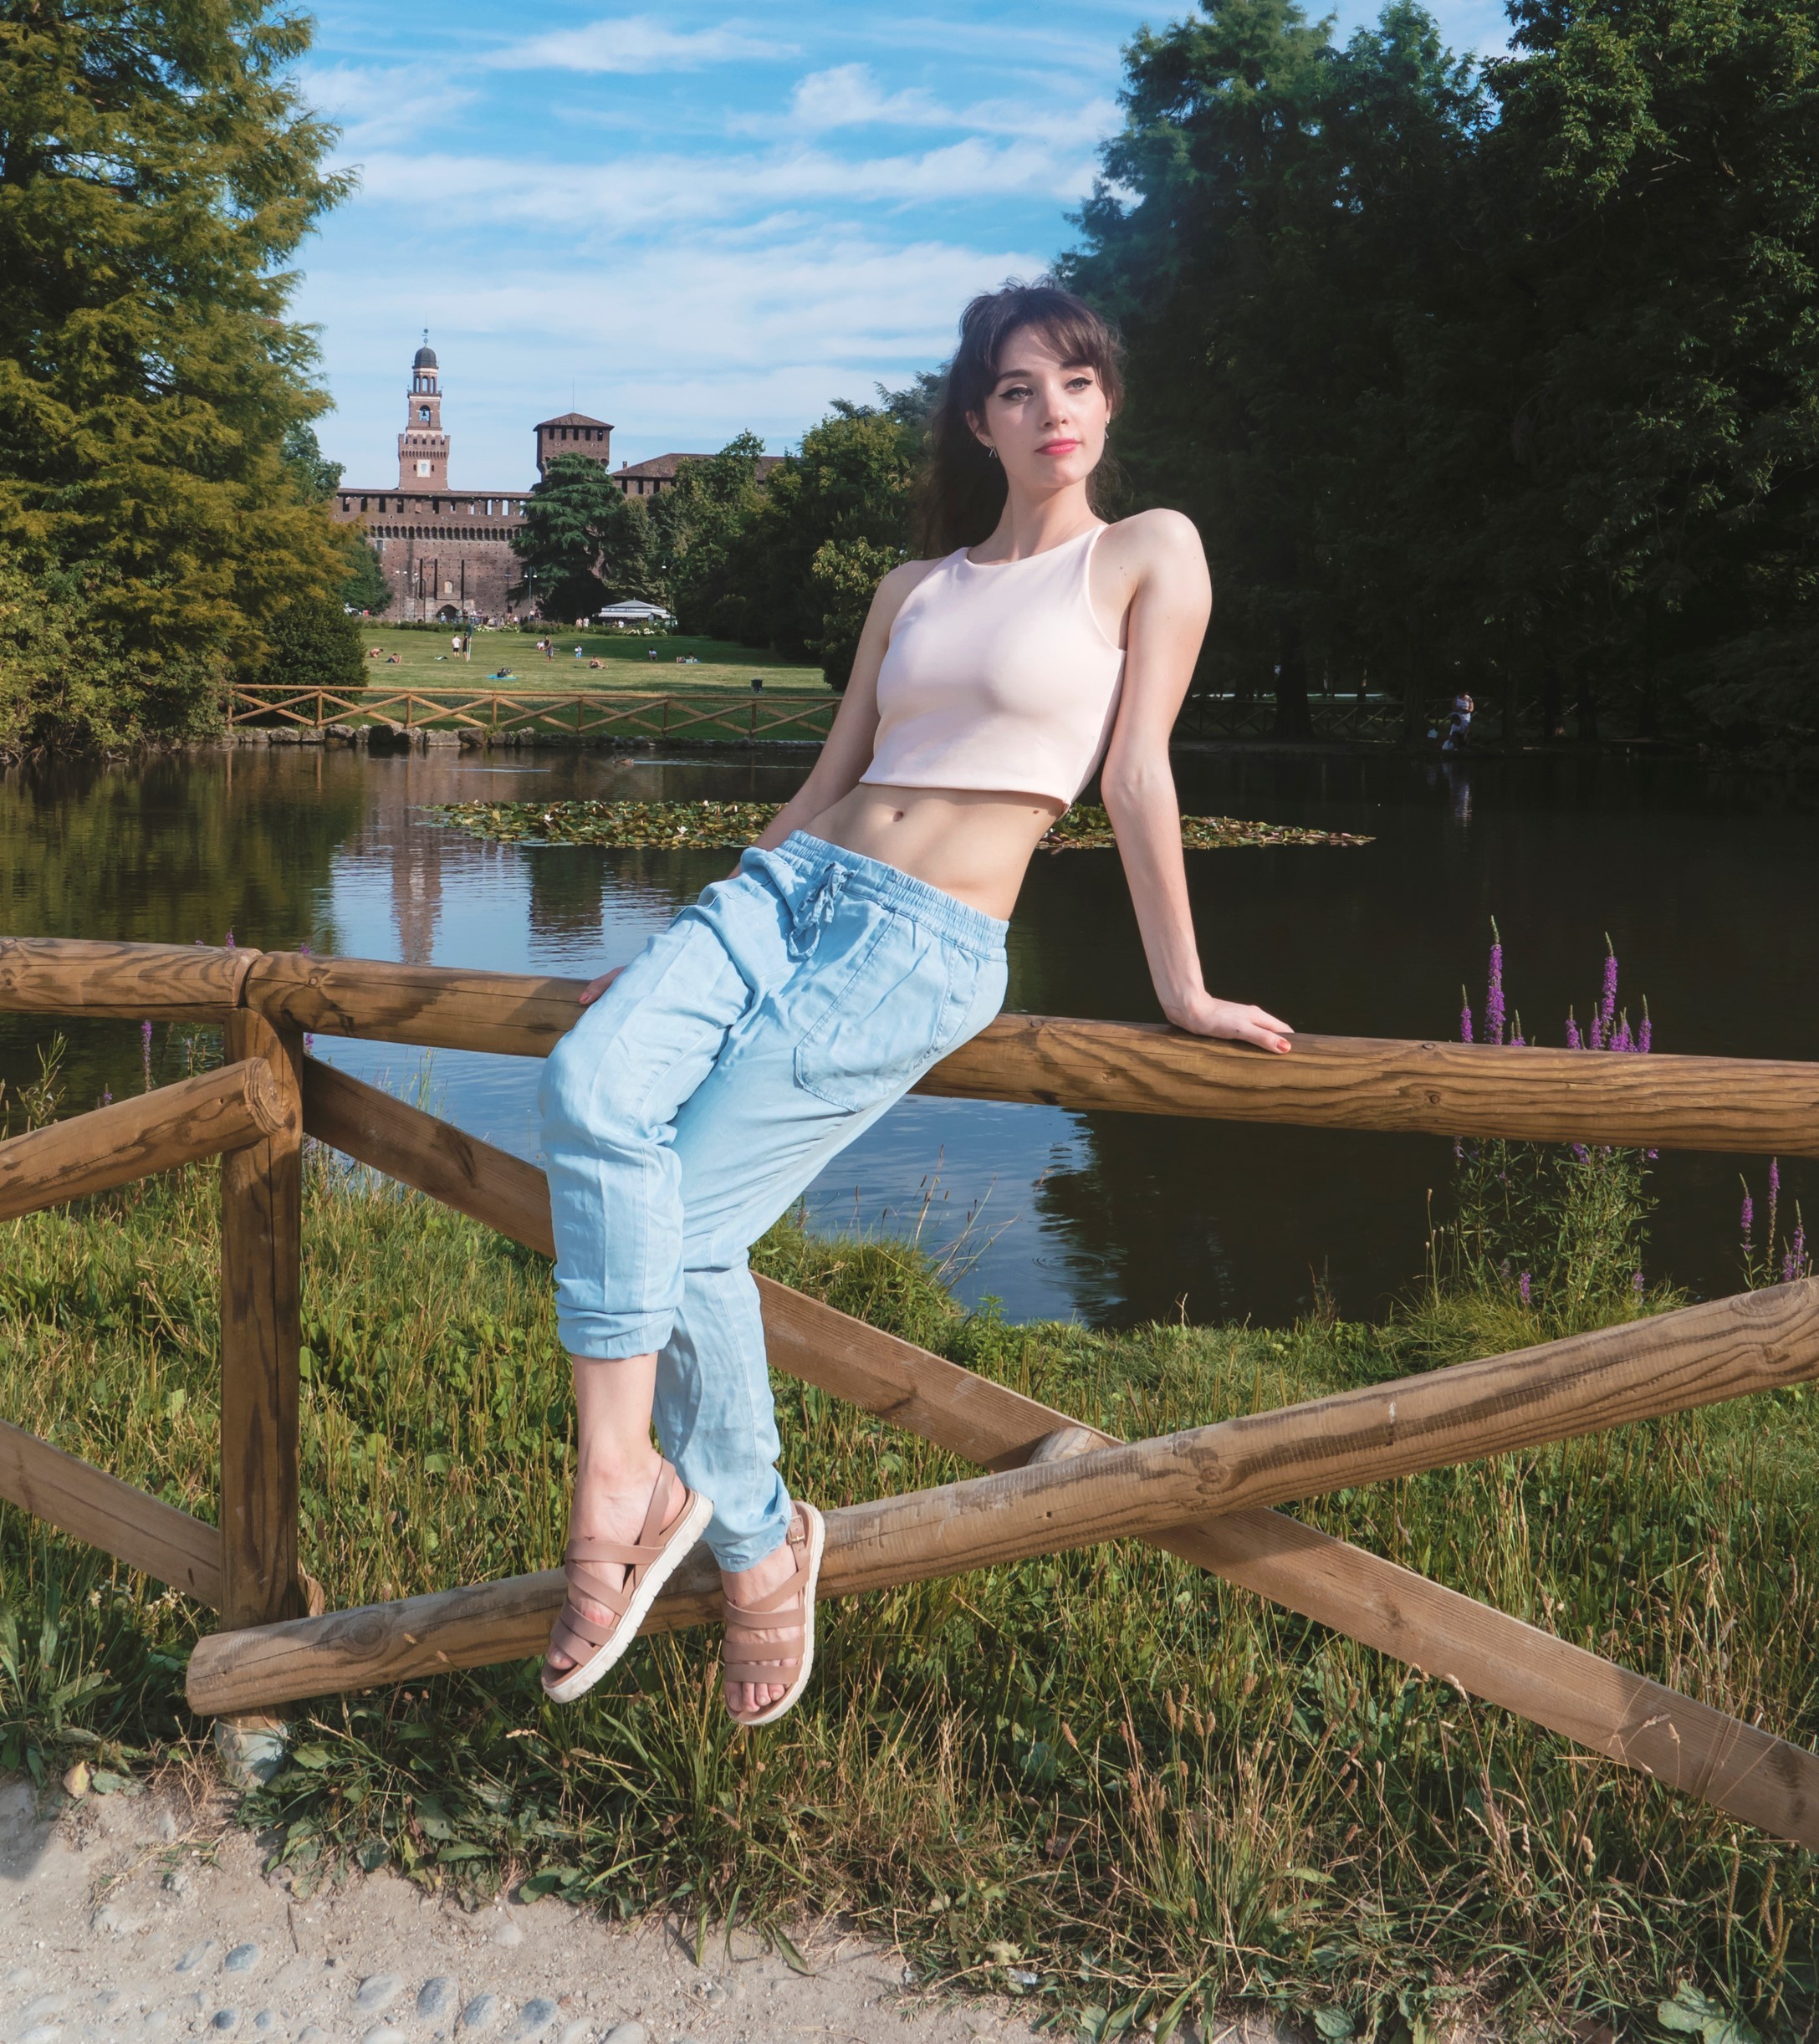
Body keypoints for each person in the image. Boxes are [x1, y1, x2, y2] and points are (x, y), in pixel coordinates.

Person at [537, 280, 1292, 1726]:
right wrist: (677, 946)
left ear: (1108, 401)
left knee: (691, 1220)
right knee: (589, 1088)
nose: (1054, 410)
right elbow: (828, 784)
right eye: (1019, 389)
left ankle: (714, 1532)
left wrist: (1183, 988)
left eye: (1078, 381)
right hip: (786, 893)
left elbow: (1136, 773)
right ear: (978, 421)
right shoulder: (913, 587)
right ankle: (672, 1500)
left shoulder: (1148, 551)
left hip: (926, 940)